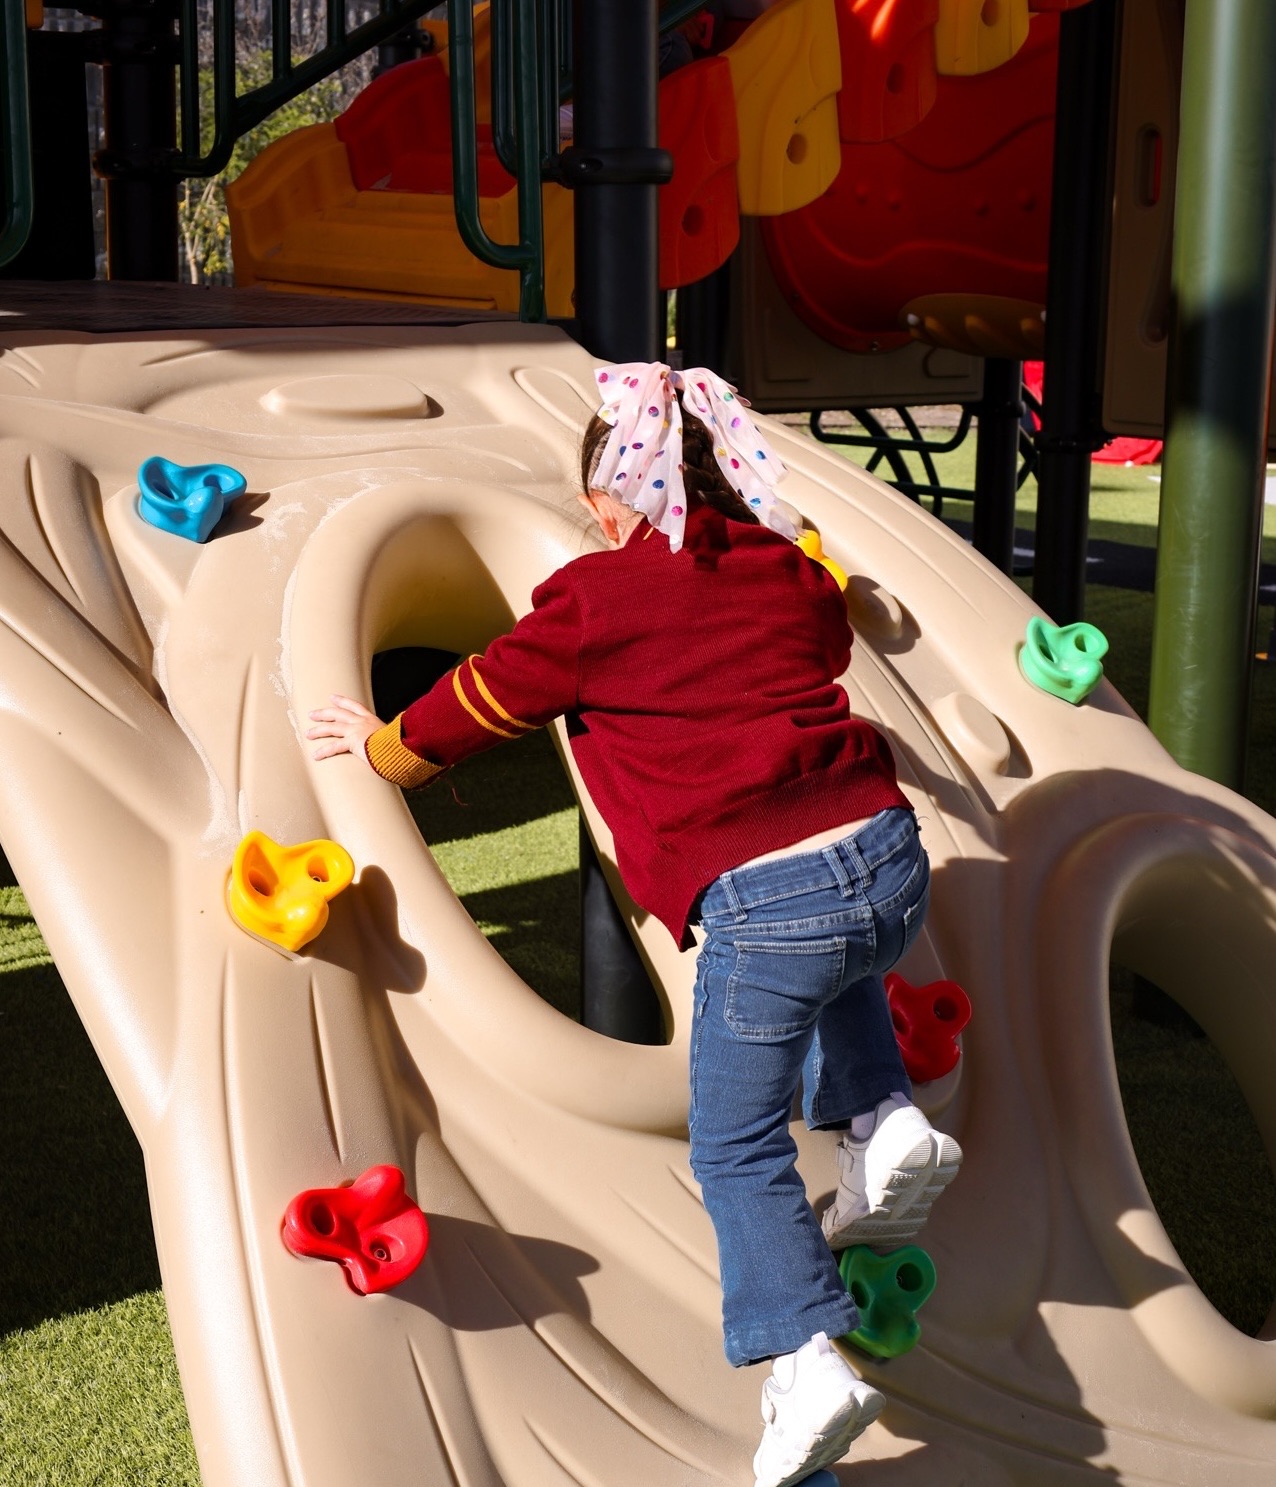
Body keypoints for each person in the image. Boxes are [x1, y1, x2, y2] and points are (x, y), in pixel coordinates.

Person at [307, 361, 962, 1487]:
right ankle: (883, 1121)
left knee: (735, 1143)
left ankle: (805, 1360)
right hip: (887, 857)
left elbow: (486, 694)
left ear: (612, 501)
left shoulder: (595, 598)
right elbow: (825, 648)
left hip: (762, 894)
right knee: (843, 953)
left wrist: (386, 746)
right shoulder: (787, 571)